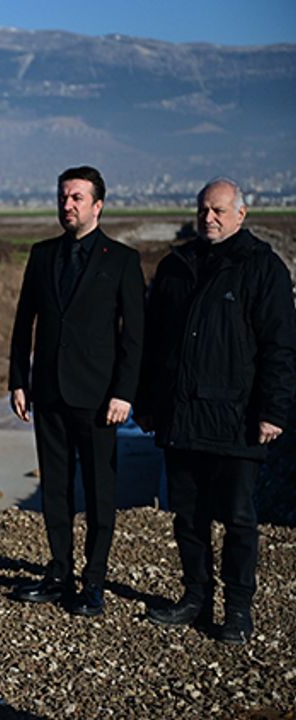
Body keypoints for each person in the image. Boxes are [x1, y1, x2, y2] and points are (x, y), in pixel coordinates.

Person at [138, 178, 296, 644]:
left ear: (241, 214)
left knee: (238, 518)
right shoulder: (175, 266)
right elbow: (153, 343)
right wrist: (147, 404)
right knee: (188, 516)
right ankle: (195, 596)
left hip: (235, 420)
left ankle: (238, 608)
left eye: (219, 210)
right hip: (182, 416)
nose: (209, 218)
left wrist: (274, 410)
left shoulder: (262, 268)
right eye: (203, 209)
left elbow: (280, 346)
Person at [7, 166, 145, 616]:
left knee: (100, 491)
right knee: (55, 489)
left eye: (77, 198)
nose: (67, 205)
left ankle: (94, 581)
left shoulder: (121, 260)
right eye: (63, 197)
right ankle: (59, 572)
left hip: (99, 398)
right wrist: (18, 380)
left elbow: (134, 335)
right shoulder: (43, 254)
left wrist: (124, 392)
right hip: (48, 392)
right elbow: (23, 322)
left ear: (97, 206)